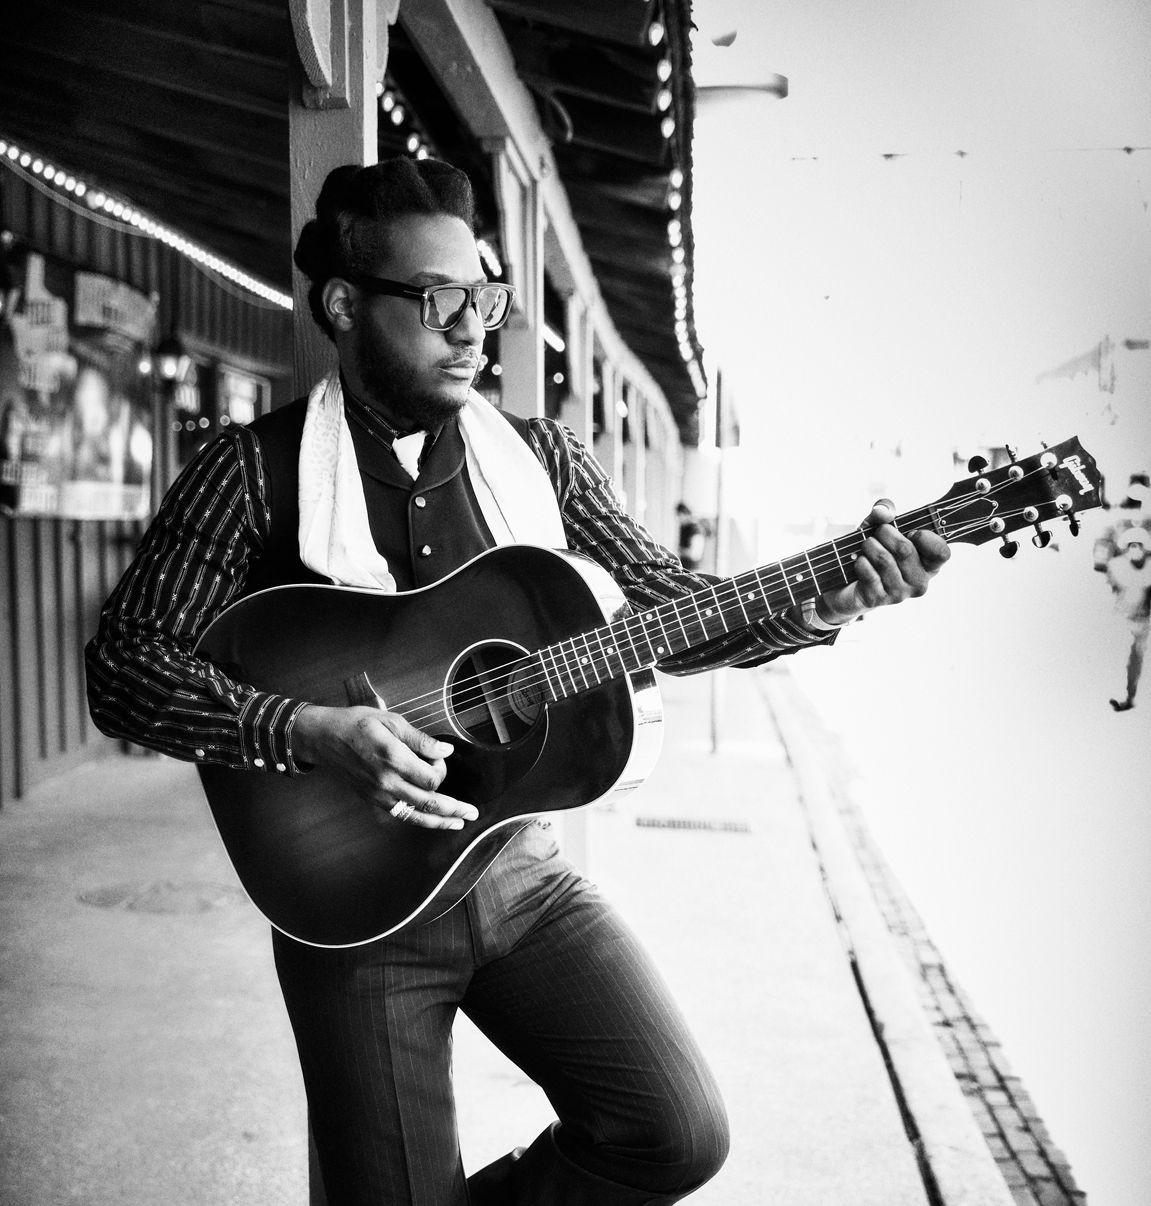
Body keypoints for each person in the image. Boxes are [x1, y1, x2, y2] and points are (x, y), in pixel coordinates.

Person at [85, 157, 950, 1206]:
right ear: (345, 305)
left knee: (673, 1132)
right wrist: (306, 728)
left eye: (484, 300)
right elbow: (125, 667)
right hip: (355, 915)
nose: (472, 331)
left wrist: (828, 600)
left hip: (520, 878)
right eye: (438, 301)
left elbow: (669, 612)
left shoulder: (541, 460)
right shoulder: (251, 470)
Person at [1104, 527, 1151, 712]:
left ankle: (1130, 696)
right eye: (1131, 546)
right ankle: (1127, 696)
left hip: (1144, 619)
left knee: (1136, 658)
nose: (1135, 549)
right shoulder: (1118, 566)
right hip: (1127, 618)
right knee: (1128, 658)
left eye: (1138, 545)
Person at [675, 501, 706, 570]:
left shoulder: (696, 530)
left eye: (680, 516)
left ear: (685, 514)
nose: (678, 519)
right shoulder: (684, 528)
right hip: (684, 567)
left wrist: (681, 551)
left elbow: (694, 554)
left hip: (692, 569)